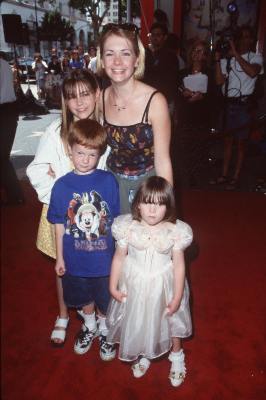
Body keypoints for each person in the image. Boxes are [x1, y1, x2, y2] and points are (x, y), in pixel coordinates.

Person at [26, 69, 101, 346]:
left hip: (94, 213)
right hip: (61, 213)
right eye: (71, 97)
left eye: (84, 94)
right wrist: (59, 194)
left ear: (97, 94)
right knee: (63, 267)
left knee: (95, 263)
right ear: (64, 101)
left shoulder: (103, 128)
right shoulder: (56, 130)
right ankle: (62, 314)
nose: (79, 102)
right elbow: (36, 170)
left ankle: (96, 316)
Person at [106, 176, 193, 387]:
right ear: (137, 203)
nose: (152, 210)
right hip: (134, 284)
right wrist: (112, 285)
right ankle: (144, 351)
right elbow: (119, 257)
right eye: (147, 203)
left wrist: (178, 295)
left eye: (159, 204)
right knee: (139, 320)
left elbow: (179, 265)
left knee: (171, 322)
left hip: (163, 285)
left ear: (168, 206)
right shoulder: (126, 226)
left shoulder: (176, 232)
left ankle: (177, 356)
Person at [47, 119, 120, 360]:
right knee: (81, 295)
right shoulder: (60, 186)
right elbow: (58, 223)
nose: (85, 159)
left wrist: (120, 256)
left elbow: (116, 220)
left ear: (100, 153)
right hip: (74, 258)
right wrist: (59, 256)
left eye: (92, 154)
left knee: (104, 297)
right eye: (80, 153)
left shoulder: (108, 181)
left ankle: (105, 328)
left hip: (103, 259)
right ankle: (89, 325)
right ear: (70, 149)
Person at [97, 23, 173, 213]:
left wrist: (167, 207)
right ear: (102, 60)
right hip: (111, 184)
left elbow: (163, 161)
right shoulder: (100, 98)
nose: (117, 61)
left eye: (125, 53)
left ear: (137, 60)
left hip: (148, 188)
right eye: (109, 53)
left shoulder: (155, 102)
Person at [210, 25, 264, 190]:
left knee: (241, 144)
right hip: (229, 105)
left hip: (243, 105)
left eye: (249, 37)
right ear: (238, 39)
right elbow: (219, 82)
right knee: (227, 142)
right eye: (243, 36)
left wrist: (236, 54)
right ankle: (224, 175)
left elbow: (252, 72)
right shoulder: (229, 59)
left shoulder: (256, 57)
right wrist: (219, 61)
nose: (246, 40)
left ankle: (235, 177)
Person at [176, 39, 214, 188]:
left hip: (201, 117)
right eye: (195, 50)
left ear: (205, 55)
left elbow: (213, 96)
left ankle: (198, 185)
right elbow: (176, 90)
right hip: (186, 116)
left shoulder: (209, 74)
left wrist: (202, 96)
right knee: (184, 152)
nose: (197, 54)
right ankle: (186, 183)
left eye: (201, 52)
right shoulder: (182, 73)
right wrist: (183, 93)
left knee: (200, 152)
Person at [0, 52, 24, 205]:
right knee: (2, 158)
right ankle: (16, 196)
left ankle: (16, 196)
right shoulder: (5, 64)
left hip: (3, 112)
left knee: (1, 159)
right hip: (9, 112)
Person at [143, 23, 179, 114]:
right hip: (145, 98)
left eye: (158, 35)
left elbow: (172, 80)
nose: (155, 38)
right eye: (153, 35)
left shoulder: (171, 56)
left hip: (164, 99)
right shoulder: (145, 53)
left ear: (165, 37)